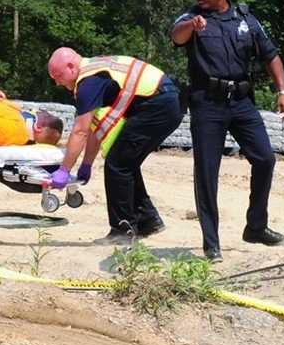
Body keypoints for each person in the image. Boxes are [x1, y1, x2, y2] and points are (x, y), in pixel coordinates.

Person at [171, 0, 284, 262]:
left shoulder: (245, 19)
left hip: (241, 101)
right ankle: (211, 244)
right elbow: (177, 36)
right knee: (207, 173)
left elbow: (270, 54)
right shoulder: (191, 18)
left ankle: (256, 226)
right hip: (207, 102)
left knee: (265, 158)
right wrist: (191, 26)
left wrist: (283, 91)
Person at [47, 48, 183, 244]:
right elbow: (93, 128)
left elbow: (80, 131)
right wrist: (86, 164)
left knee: (117, 164)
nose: (57, 82)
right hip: (165, 100)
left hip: (158, 104)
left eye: (58, 76)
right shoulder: (96, 72)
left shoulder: (88, 82)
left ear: (70, 67)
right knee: (125, 161)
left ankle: (122, 230)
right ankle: (147, 221)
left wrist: (64, 170)